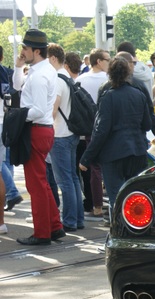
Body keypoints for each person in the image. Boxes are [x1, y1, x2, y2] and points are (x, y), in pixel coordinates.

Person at [13, 29, 65, 245]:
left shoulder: (40, 75)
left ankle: (43, 233)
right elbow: (17, 85)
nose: (22, 51)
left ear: (36, 50)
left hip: (36, 129)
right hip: (41, 129)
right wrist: (18, 66)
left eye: (25, 48)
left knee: (36, 185)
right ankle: (54, 227)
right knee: (41, 183)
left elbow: (39, 109)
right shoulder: (42, 70)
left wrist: (17, 116)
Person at [79, 56, 152, 207]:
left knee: (117, 200)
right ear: (127, 73)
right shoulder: (139, 94)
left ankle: (119, 229)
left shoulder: (108, 97)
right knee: (136, 199)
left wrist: (86, 158)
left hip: (114, 155)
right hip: (137, 152)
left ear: (110, 74)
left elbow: (101, 130)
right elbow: (147, 124)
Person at [48, 43, 84, 232]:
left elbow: (53, 110)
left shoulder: (56, 80)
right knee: (73, 178)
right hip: (71, 134)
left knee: (64, 181)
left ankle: (69, 221)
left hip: (60, 135)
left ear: (53, 58)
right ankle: (77, 219)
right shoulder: (68, 78)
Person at [76, 48, 110, 220]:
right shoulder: (109, 80)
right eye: (107, 59)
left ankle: (96, 205)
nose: (109, 62)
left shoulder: (80, 80)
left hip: (88, 127)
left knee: (93, 167)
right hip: (108, 126)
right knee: (109, 166)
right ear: (99, 61)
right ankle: (110, 204)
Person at [0, 44, 23, 212]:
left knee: (2, 162)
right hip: (7, 119)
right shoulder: (6, 72)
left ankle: (12, 192)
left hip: (2, 121)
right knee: (5, 160)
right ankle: (10, 194)